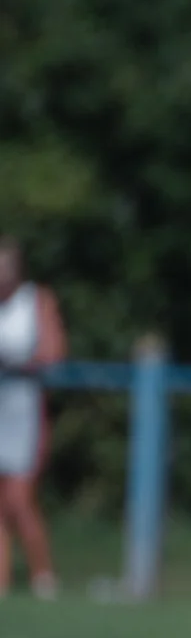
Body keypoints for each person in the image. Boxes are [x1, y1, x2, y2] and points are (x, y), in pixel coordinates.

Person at [0, 239, 67, 597]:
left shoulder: (35, 302)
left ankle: (44, 577)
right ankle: (2, 582)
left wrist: (19, 363)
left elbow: (53, 354)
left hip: (23, 410)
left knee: (19, 500)